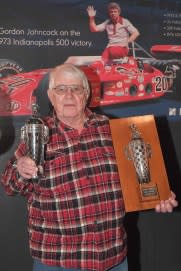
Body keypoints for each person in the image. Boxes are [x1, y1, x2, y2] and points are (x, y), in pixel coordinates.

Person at [0, 63, 178, 271]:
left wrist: (159, 195)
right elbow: (9, 186)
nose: (68, 95)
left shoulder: (114, 131)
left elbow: (139, 181)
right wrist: (21, 169)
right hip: (59, 261)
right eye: (61, 89)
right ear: (50, 95)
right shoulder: (36, 134)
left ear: (86, 93)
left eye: (76, 88)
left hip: (113, 258)